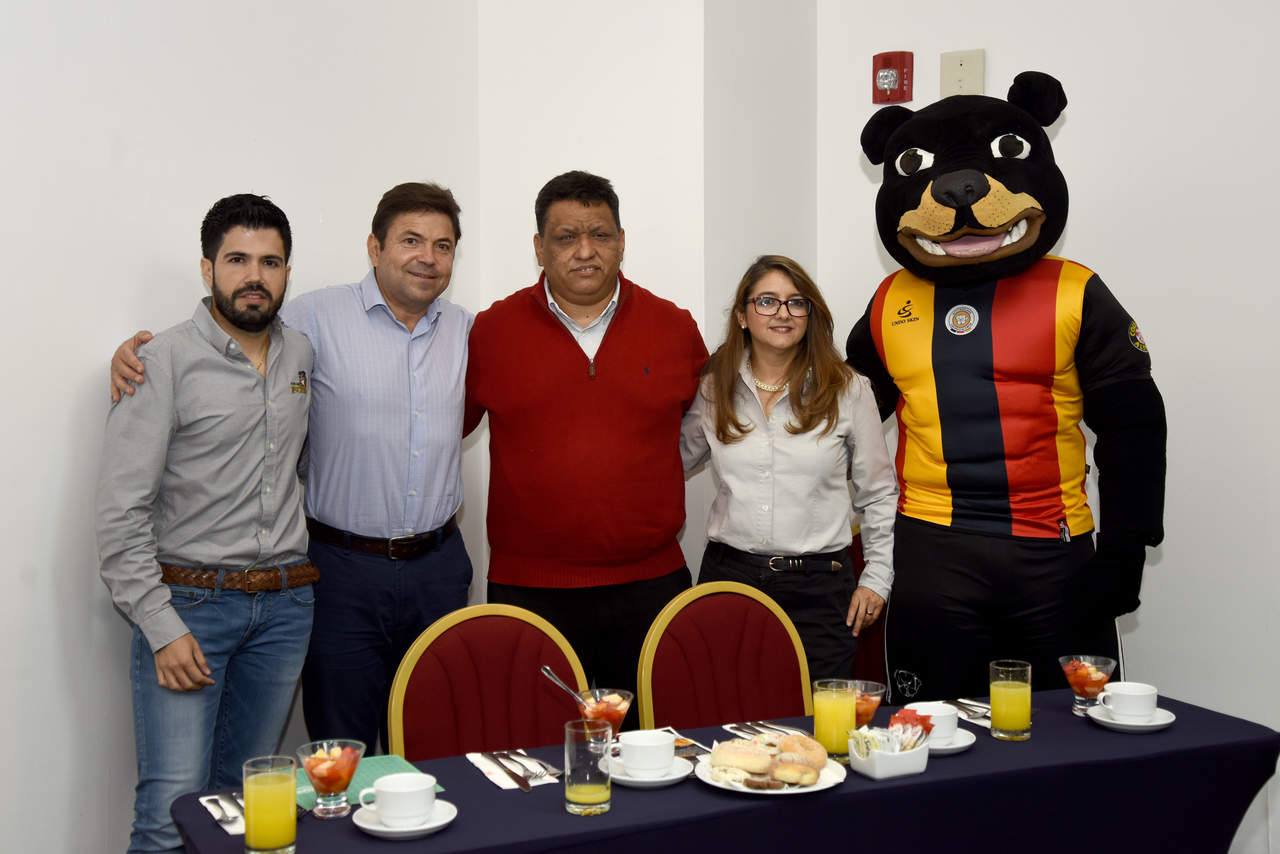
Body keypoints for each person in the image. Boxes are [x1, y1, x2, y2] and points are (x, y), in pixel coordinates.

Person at [109, 183, 474, 752]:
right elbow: (235, 331)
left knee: (435, 743)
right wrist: (135, 357)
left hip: (439, 568)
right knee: (342, 752)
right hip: (342, 570)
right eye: (410, 240)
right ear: (375, 248)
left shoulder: (469, 331)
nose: (427, 256)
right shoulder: (311, 319)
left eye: (442, 245)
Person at [97, 194, 315, 853]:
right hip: (190, 610)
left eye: (270, 262)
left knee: (246, 808)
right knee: (169, 817)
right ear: (207, 268)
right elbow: (121, 516)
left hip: (284, 610)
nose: (254, 276)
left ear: (286, 271)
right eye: (237, 259)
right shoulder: (160, 360)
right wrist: (161, 629)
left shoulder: (301, 354)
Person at [464, 171, 708, 697]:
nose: (584, 251)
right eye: (566, 237)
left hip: (651, 586)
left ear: (621, 242)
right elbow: (441, 433)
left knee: (654, 738)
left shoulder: (674, 327)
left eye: (600, 234)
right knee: (538, 740)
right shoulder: (491, 331)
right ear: (539, 248)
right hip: (530, 591)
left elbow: (711, 429)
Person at [679, 255, 897, 679]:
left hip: (820, 589)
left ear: (810, 315)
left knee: (818, 714)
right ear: (742, 316)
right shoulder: (714, 388)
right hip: (729, 580)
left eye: (796, 302)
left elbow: (878, 493)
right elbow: (670, 462)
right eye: (767, 301)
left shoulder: (848, 390)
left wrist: (876, 579)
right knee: (729, 709)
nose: (782, 313)